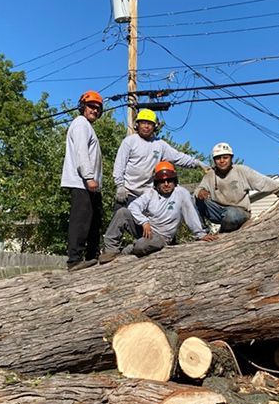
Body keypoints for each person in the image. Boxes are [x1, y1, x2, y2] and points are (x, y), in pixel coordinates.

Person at [100, 161, 216, 262]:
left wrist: (200, 234)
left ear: (174, 180)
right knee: (122, 213)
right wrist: (144, 222)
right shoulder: (151, 193)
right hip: (147, 229)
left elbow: (191, 214)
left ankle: (128, 250)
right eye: (162, 181)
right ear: (157, 182)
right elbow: (133, 206)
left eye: (169, 180)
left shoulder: (181, 193)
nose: (166, 184)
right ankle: (110, 251)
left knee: (141, 245)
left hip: (162, 237)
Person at [112, 108, 206, 211]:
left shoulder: (160, 145)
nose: (146, 126)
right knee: (121, 221)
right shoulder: (129, 141)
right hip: (127, 194)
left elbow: (178, 157)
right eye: (143, 123)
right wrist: (120, 186)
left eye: (150, 124)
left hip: (147, 197)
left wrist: (198, 163)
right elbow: (119, 165)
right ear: (137, 125)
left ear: (155, 127)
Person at [195, 142, 279, 232]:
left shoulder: (241, 171)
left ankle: (222, 233)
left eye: (225, 157)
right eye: (218, 158)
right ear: (214, 160)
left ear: (231, 158)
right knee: (193, 200)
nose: (222, 161)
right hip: (218, 211)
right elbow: (199, 189)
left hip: (239, 211)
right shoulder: (210, 175)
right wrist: (200, 192)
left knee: (231, 214)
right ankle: (202, 233)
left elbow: (263, 182)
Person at [60, 90, 104, 271]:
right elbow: (81, 152)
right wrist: (88, 176)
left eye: (97, 108)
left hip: (90, 185)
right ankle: (74, 260)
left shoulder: (87, 126)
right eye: (91, 106)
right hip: (82, 182)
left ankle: (92, 255)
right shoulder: (80, 124)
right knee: (81, 220)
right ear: (82, 107)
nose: (94, 110)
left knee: (94, 220)